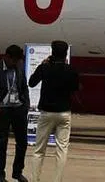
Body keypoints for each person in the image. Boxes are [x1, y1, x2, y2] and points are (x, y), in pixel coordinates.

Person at [27, 41, 80, 182]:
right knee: (61, 149)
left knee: (39, 150)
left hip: (46, 112)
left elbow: (31, 82)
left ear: (52, 52)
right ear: (65, 54)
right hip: (64, 113)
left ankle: (34, 179)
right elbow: (76, 88)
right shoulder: (71, 70)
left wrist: (42, 64)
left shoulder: (45, 68)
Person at [0, 44, 30, 182]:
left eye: (18, 61)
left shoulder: (19, 67)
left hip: (18, 108)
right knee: (2, 143)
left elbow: (23, 87)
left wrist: (26, 105)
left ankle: (17, 172)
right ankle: (0, 175)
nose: (16, 63)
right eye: (14, 60)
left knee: (22, 142)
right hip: (3, 109)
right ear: (7, 57)